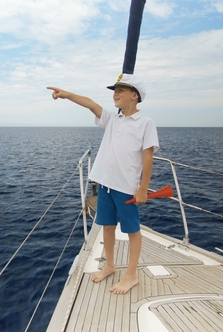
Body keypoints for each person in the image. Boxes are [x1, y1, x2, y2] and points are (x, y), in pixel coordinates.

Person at [47, 73, 159, 294]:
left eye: (121, 90)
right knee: (107, 226)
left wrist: (143, 188)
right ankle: (110, 265)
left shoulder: (146, 123)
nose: (115, 93)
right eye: (114, 90)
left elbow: (148, 158)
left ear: (135, 95)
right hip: (105, 184)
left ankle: (131, 275)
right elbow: (91, 105)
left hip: (126, 188)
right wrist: (67, 94)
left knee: (132, 231)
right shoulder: (112, 119)